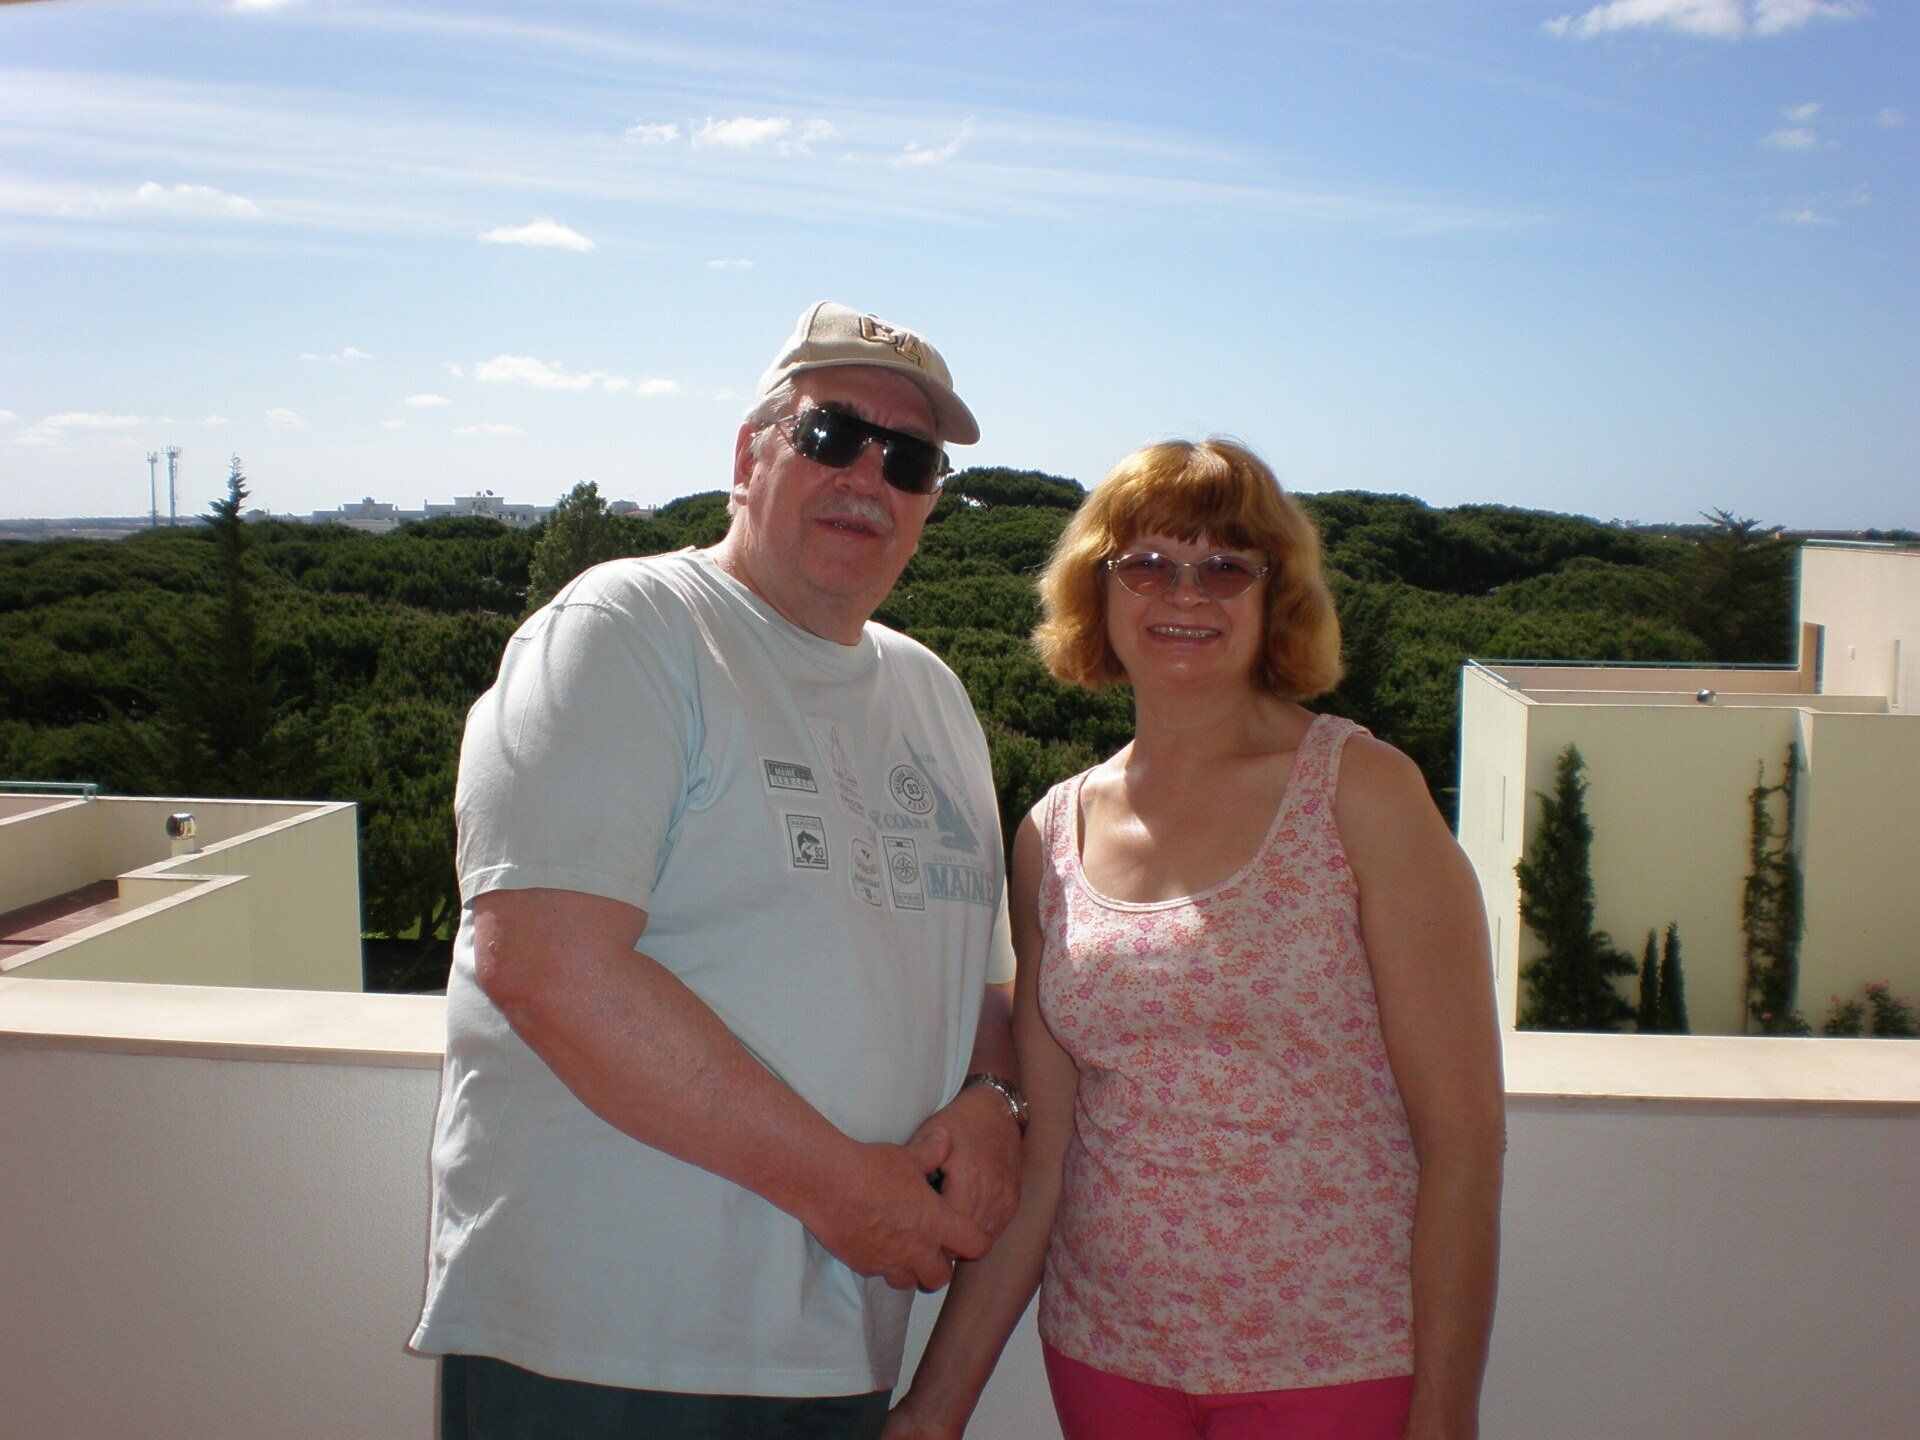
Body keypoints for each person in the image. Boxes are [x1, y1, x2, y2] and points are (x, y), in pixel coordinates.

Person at [411, 302, 1030, 1440]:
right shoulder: (628, 630)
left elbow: (981, 982)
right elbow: (544, 965)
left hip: (837, 1354)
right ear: (749, 457)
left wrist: (995, 1101)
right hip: (604, 1349)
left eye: (909, 460)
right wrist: (845, 1193)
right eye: (833, 434)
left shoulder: (934, 695)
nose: (869, 476)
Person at [887, 440, 1506, 1440]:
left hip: (1336, 1361)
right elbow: (1050, 1160)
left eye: (1225, 565)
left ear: (1274, 597)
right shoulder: (1052, 833)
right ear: (1099, 590)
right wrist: (931, 1412)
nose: (1186, 592)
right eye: (1147, 563)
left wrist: (1444, 1415)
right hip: (1106, 1358)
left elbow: (1464, 1143)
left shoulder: (1361, 792)